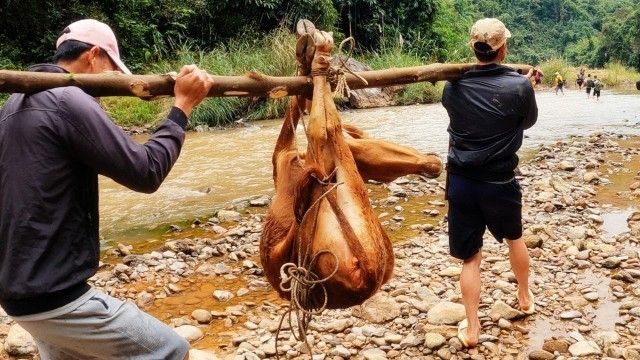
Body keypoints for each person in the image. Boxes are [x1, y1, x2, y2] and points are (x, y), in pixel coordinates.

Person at [0, 19, 214, 359]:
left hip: (19, 293)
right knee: (173, 350)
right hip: (57, 297)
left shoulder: (14, 104)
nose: (115, 78)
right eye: (113, 69)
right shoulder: (68, 100)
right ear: (93, 56)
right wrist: (182, 107)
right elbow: (146, 171)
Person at [442, 18, 538, 348]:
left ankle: (471, 329)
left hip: (462, 182)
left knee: (471, 258)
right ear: (503, 48)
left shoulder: (452, 86)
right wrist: (524, 87)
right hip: (500, 181)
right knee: (515, 237)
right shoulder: (520, 86)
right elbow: (527, 121)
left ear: (473, 47)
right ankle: (524, 297)